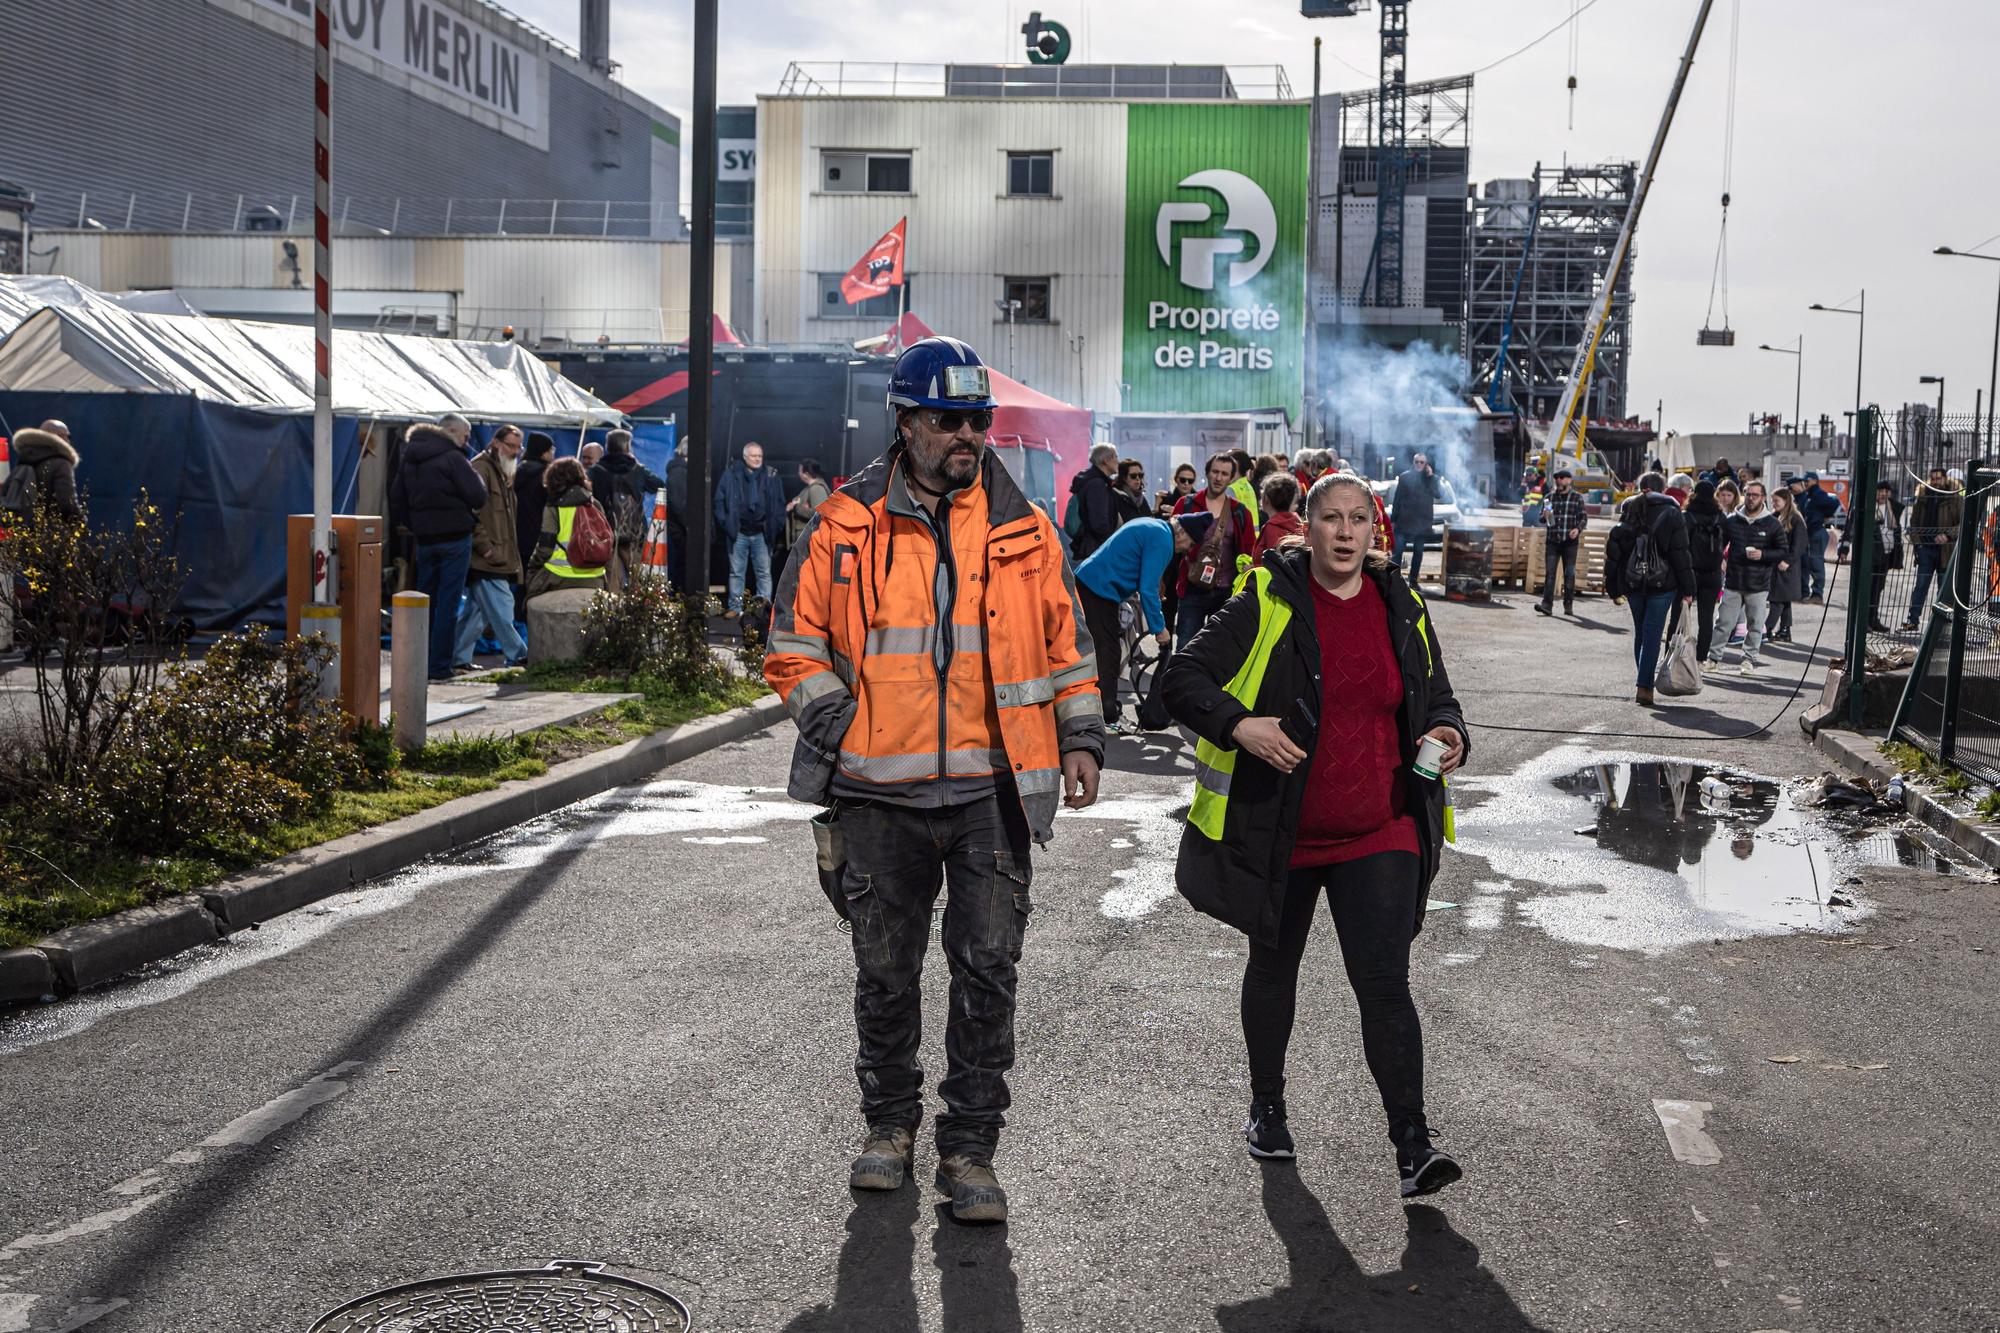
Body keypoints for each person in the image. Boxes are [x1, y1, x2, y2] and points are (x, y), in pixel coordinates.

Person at [763, 336, 1104, 1224]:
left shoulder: (1027, 528)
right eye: (950, 419)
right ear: (907, 423)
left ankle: (969, 1149)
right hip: (877, 795)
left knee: (988, 969)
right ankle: (888, 1129)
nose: (968, 434)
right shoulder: (842, 523)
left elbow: (1068, 647)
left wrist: (1081, 738)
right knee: (885, 973)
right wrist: (846, 726)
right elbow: (791, 646)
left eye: (978, 419)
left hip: (993, 793)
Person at [1161, 471, 1468, 1197]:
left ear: (1375, 528)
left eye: (1358, 518)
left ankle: (1413, 1146)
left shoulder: (1402, 600)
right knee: (1274, 972)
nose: (1345, 532)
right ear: (1310, 524)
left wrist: (1450, 731)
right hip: (1285, 828)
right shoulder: (1269, 595)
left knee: (1385, 984)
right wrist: (1240, 725)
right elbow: (1181, 678)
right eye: (1331, 517)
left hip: (1382, 823)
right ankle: (1267, 1106)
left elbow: (1440, 695)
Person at [389, 419, 487, 682]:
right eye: (465, 436)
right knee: (448, 603)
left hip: (425, 539)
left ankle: (419, 661)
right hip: (455, 536)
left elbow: (396, 497)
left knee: (423, 603)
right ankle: (439, 666)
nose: (467, 441)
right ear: (451, 431)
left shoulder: (409, 457)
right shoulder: (453, 457)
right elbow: (478, 495)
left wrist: (415, 525)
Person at [1075, 515, 1194, 730]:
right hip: (1097, 589)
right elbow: (1147, 590)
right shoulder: (1163, 539)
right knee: (1106, 654)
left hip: (1094, 583)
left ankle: (1102, 709)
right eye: (1191, 543)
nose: (1188, 550)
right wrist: (1160, 629)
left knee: (1104, 652)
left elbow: (1147, 575)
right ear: (1183, 533)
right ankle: (1107, 714)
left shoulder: (1157, 527)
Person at [1602, 474, 1695, 706]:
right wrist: (1688, 588)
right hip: (1663, 584)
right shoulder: (1673, 513)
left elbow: (1615, 555)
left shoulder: (1627, 511)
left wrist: (1613, 589)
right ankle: (1644, 686)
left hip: (1633, 583)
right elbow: (1680, 554)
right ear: (1663, 489)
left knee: (1642, 633)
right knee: (1653, 633)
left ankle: (1643, 679)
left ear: (1640, 488)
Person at [452, 424, 528, 671]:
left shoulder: (500, 471)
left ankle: (458, 657)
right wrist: (485, 547)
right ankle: (519, 653)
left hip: (495, 554)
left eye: (518, 447)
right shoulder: (482, 469)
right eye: (511, 446)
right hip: (488, 556)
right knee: (503, 605)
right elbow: (470, 512)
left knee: (477, 611)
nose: (515, 451)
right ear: (496, 443)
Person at [1171, 452, 1257, 651]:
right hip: (1192, 589)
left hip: (1226, 592)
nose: (1219, 478)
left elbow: (1248, 552)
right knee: (1185, 649)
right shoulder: (1186, 504)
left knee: (1220, 652)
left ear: (1231, 477)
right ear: (1207, 473)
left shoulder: (1240, 512)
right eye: (1215, 472)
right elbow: (1168, 546)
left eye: (1224, 474)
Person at [1706, 480, 1784, 675]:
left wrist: (1763, 555)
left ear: (1763, 498)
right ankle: (1713, 658)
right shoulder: (1732, 520)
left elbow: (1783, 551)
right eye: (1748, 494)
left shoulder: (1772, 523)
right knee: (1723, 623)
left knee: (1755, 625)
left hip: (1758, 583)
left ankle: (1748, 660)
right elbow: (1719, 544)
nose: (1751, 498)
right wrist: (1720, 559)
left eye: (1755, 495)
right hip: (1733, 581)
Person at [588, 428, 668, 589]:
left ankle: (613, 612)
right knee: (638, 579)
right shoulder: (637, 469)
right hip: (634, 532)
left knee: (612, 581)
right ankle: (636, 612)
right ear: (626, 446)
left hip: (606, 532)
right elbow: (658, 484)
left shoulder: (597, 470)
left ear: (608, 446)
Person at [714, 441, 786, 618]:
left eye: (760, 456)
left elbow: (779, 503)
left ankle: (763, 609)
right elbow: (719, 500)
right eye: (754, 456)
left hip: (762, 532)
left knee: (763, 572)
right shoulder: (731, 474)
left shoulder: (770, 475)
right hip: (738, 532)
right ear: (745, 457)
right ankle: (736, 607)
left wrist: (776, 525)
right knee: (736, 572)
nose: (757, 459)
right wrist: (726, 523)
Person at [524, 457, 610, 596]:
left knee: (528, 599)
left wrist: (532, 566)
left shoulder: (554, 507)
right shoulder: (595, 504)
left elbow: (545, 549)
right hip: (595, 576)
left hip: (559, 575)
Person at [1901, 468, 1962, 632]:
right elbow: (1914, 523)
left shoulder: (1954, 497)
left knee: (1943, 589)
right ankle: (1912, 620)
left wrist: (1947, 536)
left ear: (1945, 479)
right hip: (1926, 549)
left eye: (1938, 479)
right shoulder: (1923, 496)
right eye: (1933, 479)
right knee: (1920, 586)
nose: (1935, 482)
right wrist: (1918, 545)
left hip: (1945, 550)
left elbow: (1962, 524)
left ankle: (1940, 625)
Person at [1681, 480, 1728, 663]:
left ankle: (1675, 652)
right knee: (1706, 618)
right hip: (1712, 573)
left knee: (1681, 614)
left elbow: (1680, 543)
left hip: (1689, 572)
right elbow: (1726, 541)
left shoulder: (1687, 516)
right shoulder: (1720, 517)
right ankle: (1700, 659)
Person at [512, 432, 556, 619]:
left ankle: (515, 618)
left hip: (515, 534)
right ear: (544, 452)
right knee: (534, 581)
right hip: (538, 535)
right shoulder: (545, 475)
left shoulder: (515, 471)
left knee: (517, 581)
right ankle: (526, 618)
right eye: (551, 449)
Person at [1849, 481, 1903, 633]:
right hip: (1870, 555)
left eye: (1886, 491)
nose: (1883, 494)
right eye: (1880, 491)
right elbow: (1851, 528)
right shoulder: (1865, 508)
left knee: (1878, 589)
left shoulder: (1893, 508)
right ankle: (1863, 622)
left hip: (1886, 555)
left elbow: (1896, 529)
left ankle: (1873, 620)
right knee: (1866, 589)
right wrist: (1845, 547)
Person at [1534, 469, 1587, 617]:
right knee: (1550, 574)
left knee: (1569, 574)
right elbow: (1543, 519)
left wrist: (1577, 529)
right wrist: (1544, 516)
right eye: (1556, 478)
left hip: (1570, 543)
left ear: (1569, 480)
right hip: (1553, 541)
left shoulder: (1577, 498)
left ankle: (1568, 604)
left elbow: (1583, 518)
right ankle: (1547, 605)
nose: (1558, 480)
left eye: (1562, 478)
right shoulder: (1549, 498)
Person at [6, 422, 83, 521]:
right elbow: (67, 503)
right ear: (59, 437)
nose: (68, 440)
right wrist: (80, 523)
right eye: (67, 436)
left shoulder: (25, 460)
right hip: (52, 531)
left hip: (23, 529)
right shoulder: (61, 464)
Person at [1763, 487, 1808, 644]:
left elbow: (1800, 544)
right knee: (1784, 599)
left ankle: (1766, 629)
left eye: (1776, 500)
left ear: (1786, 501)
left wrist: (1788, 561)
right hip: (1778, 565)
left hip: (1787, 566)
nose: (1773, 503)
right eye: (1772, 500)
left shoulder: (1796, 519)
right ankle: (1784, 630)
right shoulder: (1776, 517)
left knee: (1777, 599)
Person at [1066, 443, 1122, 561]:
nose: (1118, 461)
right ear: (1106, 460)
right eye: (1116, 457)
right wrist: (1109, 544)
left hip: (1090, 548)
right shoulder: (1097, 485)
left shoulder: (1094, 481)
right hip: (1095, 551)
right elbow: (1098, 523)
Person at [1390, 453, 1439, 585]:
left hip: (1422, 523)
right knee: (1397, 552)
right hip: (1404, 521)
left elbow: (1438, 494)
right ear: (1413, 462)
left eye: (1422, 462)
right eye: (1417, 462)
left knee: (1418, 552)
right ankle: (1394, 581)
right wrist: (1393, 520)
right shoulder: (1405, 477)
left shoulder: (1431, 479)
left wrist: (1431, 477)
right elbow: (1397, 500)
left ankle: (1413, 580)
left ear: (1426, 464)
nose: (1419, 464)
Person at [787, 459, 832, 560]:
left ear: (806, 473)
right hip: (805, 540)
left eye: (800, 471)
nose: (798, 474)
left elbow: (819, 514)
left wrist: (797, 507)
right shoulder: (808, 488)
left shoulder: (816, 489)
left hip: (810, 540)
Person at [1253, 473, 1304, 558]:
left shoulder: (1272, 528)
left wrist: (1251, 568)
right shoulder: (1297, 523)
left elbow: (1274, 564)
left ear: (1266, 499)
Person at [1114, 458, 1150, 526]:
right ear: (1124, 478)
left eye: (1140, 475)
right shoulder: (1117, 497)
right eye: (1133, 476)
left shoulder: (1141, 498)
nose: (1138, 479)